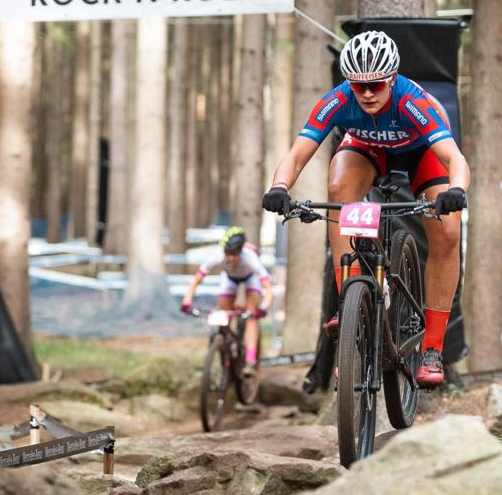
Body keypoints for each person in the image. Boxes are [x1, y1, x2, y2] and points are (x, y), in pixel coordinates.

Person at [262, 30, 470, 388]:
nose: (368, 93)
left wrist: (456, 191)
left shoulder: (411, 101)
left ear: (391, 79)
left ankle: (433, 348)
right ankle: (350, 303)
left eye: (376, 85)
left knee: (448, 229)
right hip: (367, 148)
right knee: (339, 189)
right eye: (359, 87)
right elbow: (298, 154)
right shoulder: (339, 100)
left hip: (421, 152)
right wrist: (279, 187)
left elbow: (455, 158)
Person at [180, 226, 273, 376]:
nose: (229, 258)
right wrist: (187, 300)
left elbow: (268, 288)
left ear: (240, 252)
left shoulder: (250, 258)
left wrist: (264, 306)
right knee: (222, 316)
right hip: (229, 279)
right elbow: (197, 279)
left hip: (251, 280)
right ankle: (224, 347)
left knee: (251, 316)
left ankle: (250, 360)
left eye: (233, 255)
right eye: (227, 254)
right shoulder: (217, 256)